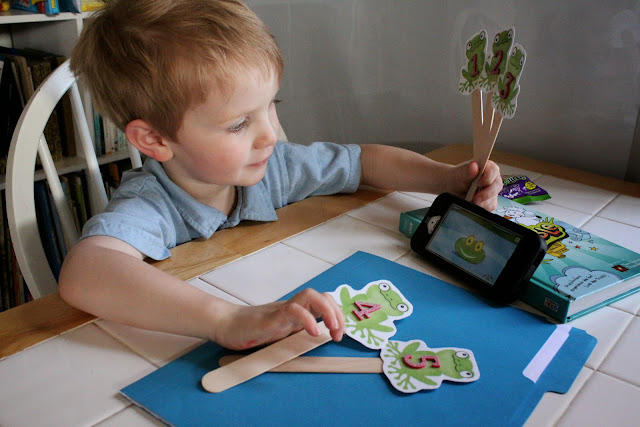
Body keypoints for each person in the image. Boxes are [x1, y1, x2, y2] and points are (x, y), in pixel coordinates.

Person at [59, 0, 502, 351]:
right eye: (238, 124)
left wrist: (445, 179)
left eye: (272, 105)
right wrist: (226, 320)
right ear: (154, 139)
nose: (271, 134)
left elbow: (362, 161)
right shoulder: (149, 202)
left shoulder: (276, 167)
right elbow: (86, 271)